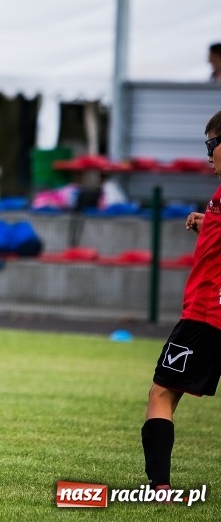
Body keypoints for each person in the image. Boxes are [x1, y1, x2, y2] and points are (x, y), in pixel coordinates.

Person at [141, 108, 221, 492]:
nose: (208, 154)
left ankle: (159, 491)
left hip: (206, 317)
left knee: (161, 394)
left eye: (212, 143)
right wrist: (208, 225)